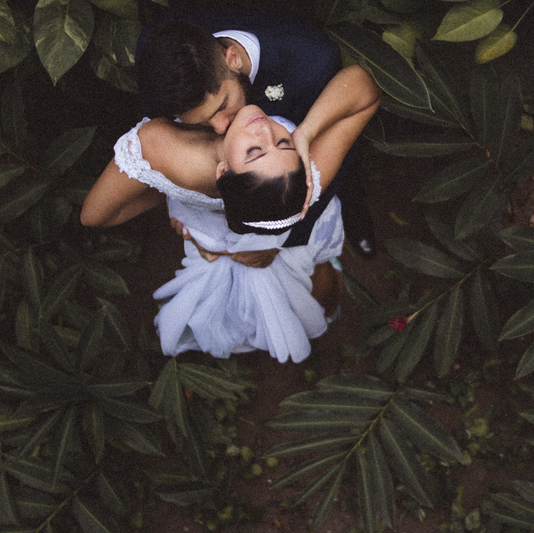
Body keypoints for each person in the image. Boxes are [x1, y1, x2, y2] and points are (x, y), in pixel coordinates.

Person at [81, 65, 380, 363]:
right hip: (277, 243)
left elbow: (94, 216)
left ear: (222, 172)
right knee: (313, 272)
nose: (265, 128)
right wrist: (306, 133)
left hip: (210, 242)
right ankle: (327, 314)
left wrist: (168, 193)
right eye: (283, 142)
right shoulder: (307, 180)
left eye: (258, 150)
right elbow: (365, 89)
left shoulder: (162, 147)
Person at [135, 9, 377, 258]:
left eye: (222, 106)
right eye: (204, 120)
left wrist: (284, 238)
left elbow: (342, 135)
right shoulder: (157, 57)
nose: (220, 127)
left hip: (311, 162)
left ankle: (355, 214)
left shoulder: (311, 62)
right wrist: (180, 205)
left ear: (233, 59)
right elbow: (167, 138)